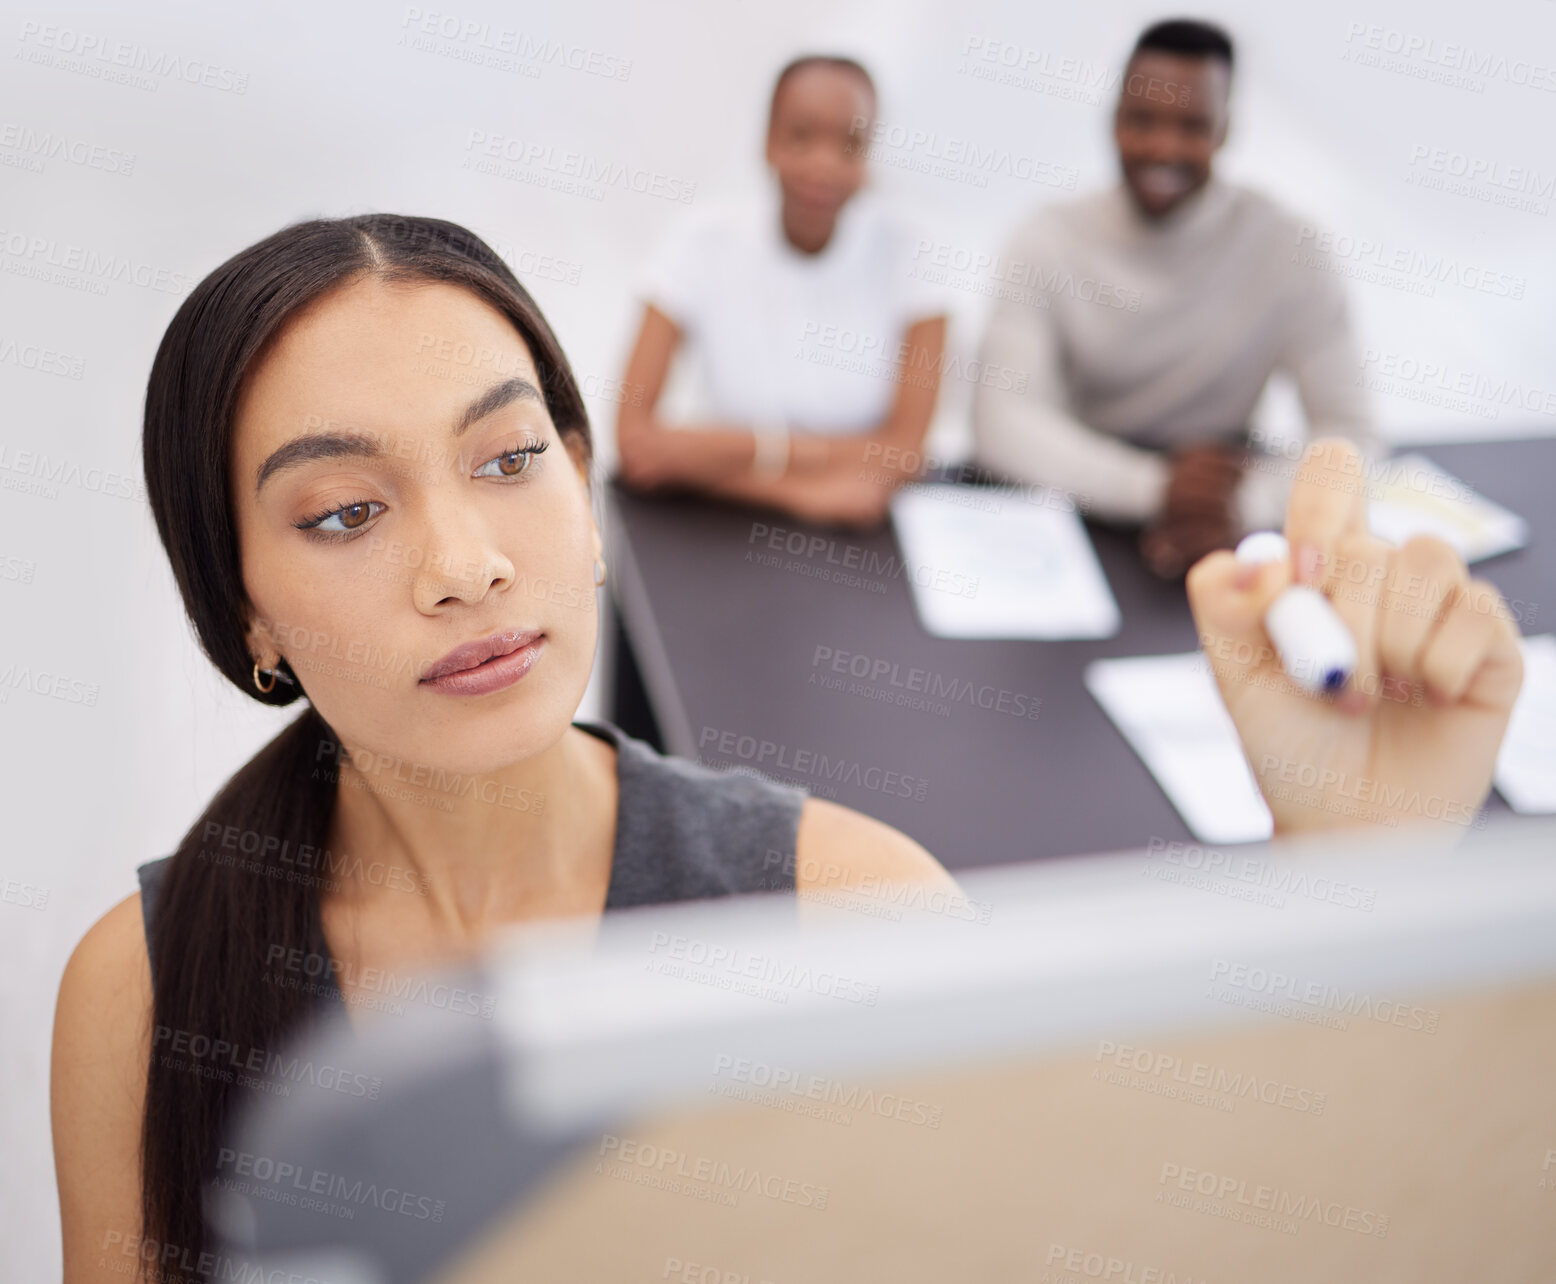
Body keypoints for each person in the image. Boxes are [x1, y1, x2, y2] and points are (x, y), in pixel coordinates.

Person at [51, 215, 1523, 1282]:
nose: (465, 562)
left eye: (510, 460)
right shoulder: (145, 988)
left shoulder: (844, 916)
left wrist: (1356, 873)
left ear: (586, 490)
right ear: (243, 608)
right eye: (343, 513)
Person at [971, 18, 1380, 578]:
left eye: (1191, 125)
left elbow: (1352, 434)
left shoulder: (1290, 248)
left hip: (1226, 521)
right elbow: (1001, 421)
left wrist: (1245, 505)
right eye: (1143, 120)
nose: (1164, 146)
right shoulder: (1046, 238)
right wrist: (1154, 488)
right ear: (1113, 121)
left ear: (1224, 130)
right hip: (1077, 516)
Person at [615, 55, 949, 531]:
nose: (824, 164)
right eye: (801, 135)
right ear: (767, 142)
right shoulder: (699, 242)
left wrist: (708, 453)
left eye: (850, 145)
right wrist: (799, 491)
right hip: (726, 532)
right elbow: (637, 445)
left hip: (864, 538)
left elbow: (906, 453)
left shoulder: (914, 251)